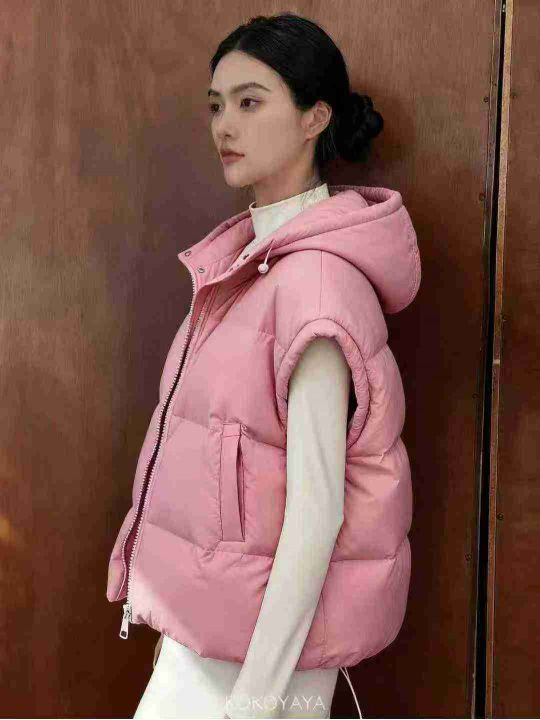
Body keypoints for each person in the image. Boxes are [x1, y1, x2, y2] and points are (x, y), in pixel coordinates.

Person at [105, 11, 420, 720]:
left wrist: (254, 702)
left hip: (255, 664)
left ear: (315, 118)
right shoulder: (249, 269)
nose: (225, 125)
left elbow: (318, 513)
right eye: (216, 105)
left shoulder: (316, 284)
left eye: (250, 102)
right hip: (213, 638)